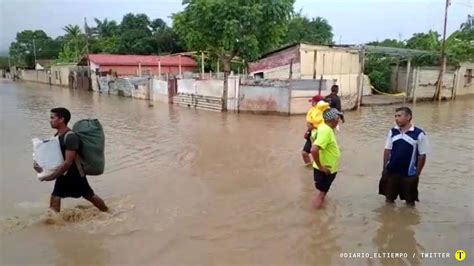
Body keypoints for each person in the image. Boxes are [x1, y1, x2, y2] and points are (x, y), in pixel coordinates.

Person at [33, 108, 108, 213]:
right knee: (58, 196)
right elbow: (55, 158)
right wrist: (40, 167)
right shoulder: (57, 136)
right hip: (64, 173)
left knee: (88, 194)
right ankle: (53, 223)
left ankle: (107, 212)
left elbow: (68, 161)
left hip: (75, 173)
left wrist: (53, 176)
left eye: (52, 117)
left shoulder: (71, 137)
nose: (50, 120)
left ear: (61, 119)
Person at [379, 107, 429, 207]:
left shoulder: (419, 134)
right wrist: (384, 168)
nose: (396, 118)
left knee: (410, 202)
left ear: (408, 117)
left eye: (399, 116)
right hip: (392, 171)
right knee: (389, 199)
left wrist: (417, 174)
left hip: (409, 174)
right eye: (395, 116)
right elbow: (387, 150)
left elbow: (422, 156)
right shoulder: (393, 131)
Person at [310, 108, 342, 209]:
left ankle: (317, 212)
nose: (339, 120)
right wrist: (321, 167)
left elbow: (313, 138)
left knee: (323, 192)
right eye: (338, 118)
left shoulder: (322, 127)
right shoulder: (326, 131)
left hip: (325, 168)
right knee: (322, 194)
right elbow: (314, 149)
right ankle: (315, 218)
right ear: (333, 120)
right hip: (325, 170)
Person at [302, 95, 324, 166]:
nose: (311, 103)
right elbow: (310, 124)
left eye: (313, 102)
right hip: (312, 134)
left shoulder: (324, 112)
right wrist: (307, 131)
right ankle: (310, 169)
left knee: (318, 155)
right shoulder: (312, 111)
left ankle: (318, 168)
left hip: (320, 135)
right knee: (304, 153)